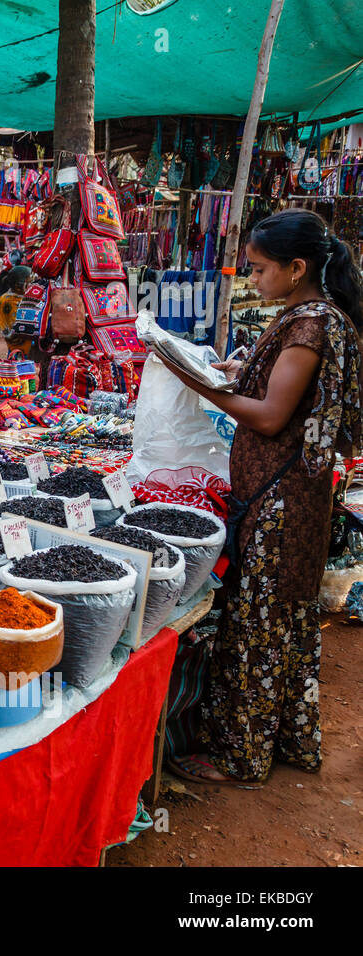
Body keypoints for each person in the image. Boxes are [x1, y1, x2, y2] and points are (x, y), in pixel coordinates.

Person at [160, 209, 362, 788]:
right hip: (291, 496)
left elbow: (272, 417)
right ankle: (286, 740)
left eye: (258, 269)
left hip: (282, 501)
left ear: (296, 269)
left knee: (257, 623)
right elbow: (283, 392)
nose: (252, 281)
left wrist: (204, 385)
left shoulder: (311, 325)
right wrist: (228, 371)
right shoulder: (312, 317)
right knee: (282, 621)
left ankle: (239, 757)